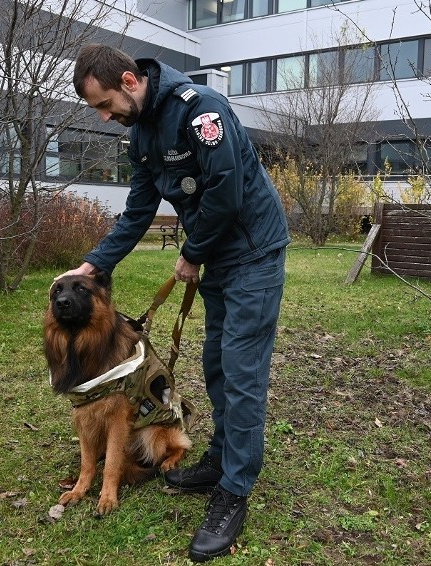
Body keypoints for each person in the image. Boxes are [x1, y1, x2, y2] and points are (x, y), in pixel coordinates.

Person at [59, 43, 290, 562]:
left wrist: (192, 252)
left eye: (104, 104)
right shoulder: (141, 133)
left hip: (253, 250)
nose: (104, 116)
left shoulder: (199, 108)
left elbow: (227, 192)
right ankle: (221, 459)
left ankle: (234, 490)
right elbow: (138, 209)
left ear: (128, 80)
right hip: (220, 256)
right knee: (215, 364)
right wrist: (94, 266)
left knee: (241, 369)